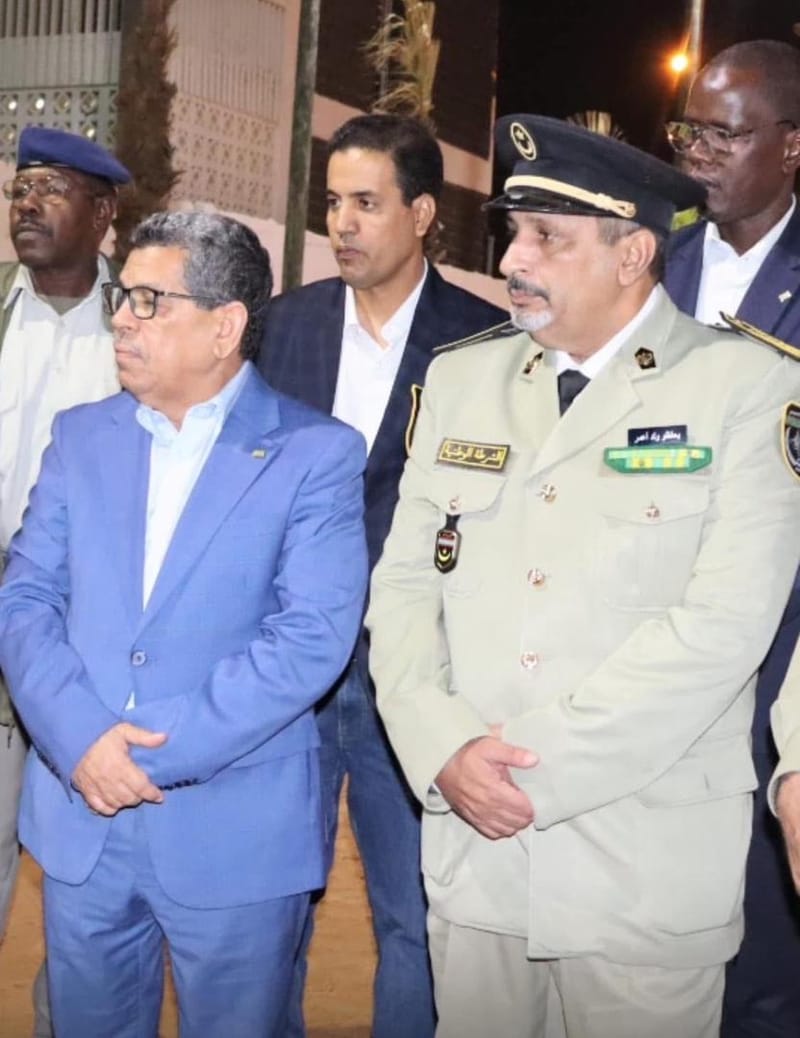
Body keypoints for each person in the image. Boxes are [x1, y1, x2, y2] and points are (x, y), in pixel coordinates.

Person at [366, 112, 800, 1038]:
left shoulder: (745, 388)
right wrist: (444, 749)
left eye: (547, 238)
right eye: (514, 233)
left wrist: (528, 770)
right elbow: (402, 591)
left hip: (642, 872)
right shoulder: (462, 381)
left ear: (633, 253)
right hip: (477, 862)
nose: (514, 259)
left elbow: (725, 626)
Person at [0, 210, 368, 1038]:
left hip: (233, 834)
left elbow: (310, 639)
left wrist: (137, 752)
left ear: (224, 327)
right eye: (122, 298)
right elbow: (25, 600)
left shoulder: (315, 455)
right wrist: (82, 740)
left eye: (148, 300)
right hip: (83, 821)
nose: (123, 319)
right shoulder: (80, 437)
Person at [258, 112, 504, 1037]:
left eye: (366, 203)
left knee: (414, 915)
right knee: (272, 909)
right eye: (333, 204)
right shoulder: (285, 326)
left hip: (412, 675)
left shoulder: (484, 343)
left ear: (423, 213)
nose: (343, 225)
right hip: (287, 672)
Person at [663, 39, 800, 1037]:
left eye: (725, 134)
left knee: (759, 959)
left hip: (772, 667)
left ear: (790, 146)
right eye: (688, 130)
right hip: (633, 650)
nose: (697, 152)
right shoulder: (643, 264)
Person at [0, 124, 130, 1036]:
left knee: (87, 871)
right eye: (20, 188)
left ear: (104, 211)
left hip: (91, 639)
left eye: (51, 188)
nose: (27, 204)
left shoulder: (142, 321)